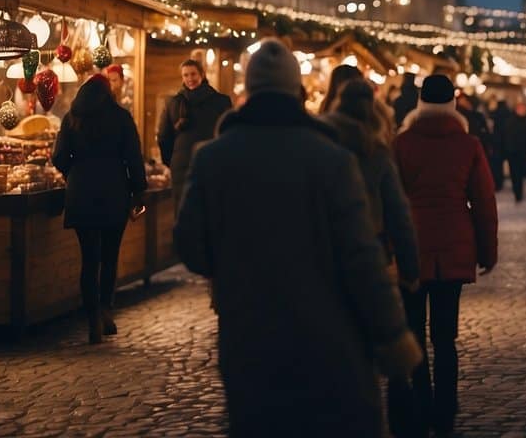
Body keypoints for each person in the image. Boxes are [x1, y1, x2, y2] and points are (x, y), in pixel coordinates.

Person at [174, 39, 421, 436]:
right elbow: (362, 259)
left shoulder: (212, 159)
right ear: (297, 90)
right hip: (325, 336)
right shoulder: (331, 159)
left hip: (248, 337)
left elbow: (191, 248)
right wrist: (393, 337)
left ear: (248, 91)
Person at [393, 74, 499, 437]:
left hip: (411, 244)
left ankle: (421, 402)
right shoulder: (468, 144)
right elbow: (484, 201)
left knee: (414, 331)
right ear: (453, 103)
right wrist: (488, 250)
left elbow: (388, 200)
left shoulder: (402, 143)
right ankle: (446, 409)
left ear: (419, 102)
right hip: (454, 242)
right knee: (445, 336)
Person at [51, 74, 146, 345]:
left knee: (89, 259)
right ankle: (105, 309)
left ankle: (92, 317)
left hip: (81, 193)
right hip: (114, 192)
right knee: (110, 256)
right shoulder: (121, 118)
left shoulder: (72, 118)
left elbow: (59, 157)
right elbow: (133, 158)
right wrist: (138, 191)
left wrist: (74, 172)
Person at [322, 79, 420, 289]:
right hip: (369, 250)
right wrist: (409, 269)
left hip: (324, 251)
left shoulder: (319, 146)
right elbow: (397, 213)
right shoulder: (377, 153)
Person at [156, 59, 231, 209]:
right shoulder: (222, 101)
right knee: (210, 210)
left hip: (184, 165)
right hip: (210, 162)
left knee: (183, 210)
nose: (190, 79)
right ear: (182, 77)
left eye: (193, 74)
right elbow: (228, 134)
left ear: (202, 75)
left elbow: (164, 137)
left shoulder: (172, 102)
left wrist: (170, 161)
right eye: (186, 75)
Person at [502, 100, 526, 203]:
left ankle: (521, 191)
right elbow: (505, 137)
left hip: (524, 152)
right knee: (515, 174)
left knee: (523, 173)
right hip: (513, 152)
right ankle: (517, 193)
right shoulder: (510, 121)